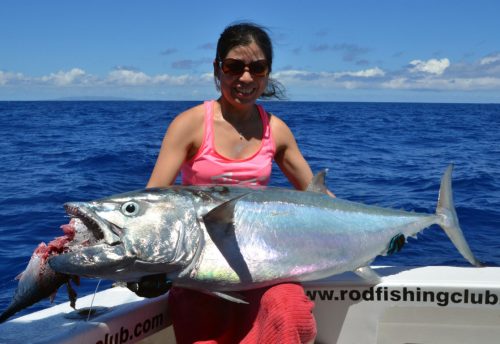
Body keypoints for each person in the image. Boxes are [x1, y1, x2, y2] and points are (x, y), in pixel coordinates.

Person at [134, 22, 324, 343]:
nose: (246, 78)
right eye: (234, 67)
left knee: (290, 312)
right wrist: (146, 267)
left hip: (263, 265)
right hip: (198, 270)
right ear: (217, 69)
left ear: (268, 72)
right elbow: (153, 201)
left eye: (257, 68)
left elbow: (318, 198)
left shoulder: (275, 130)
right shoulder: (190, 125)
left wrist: (383, 235)